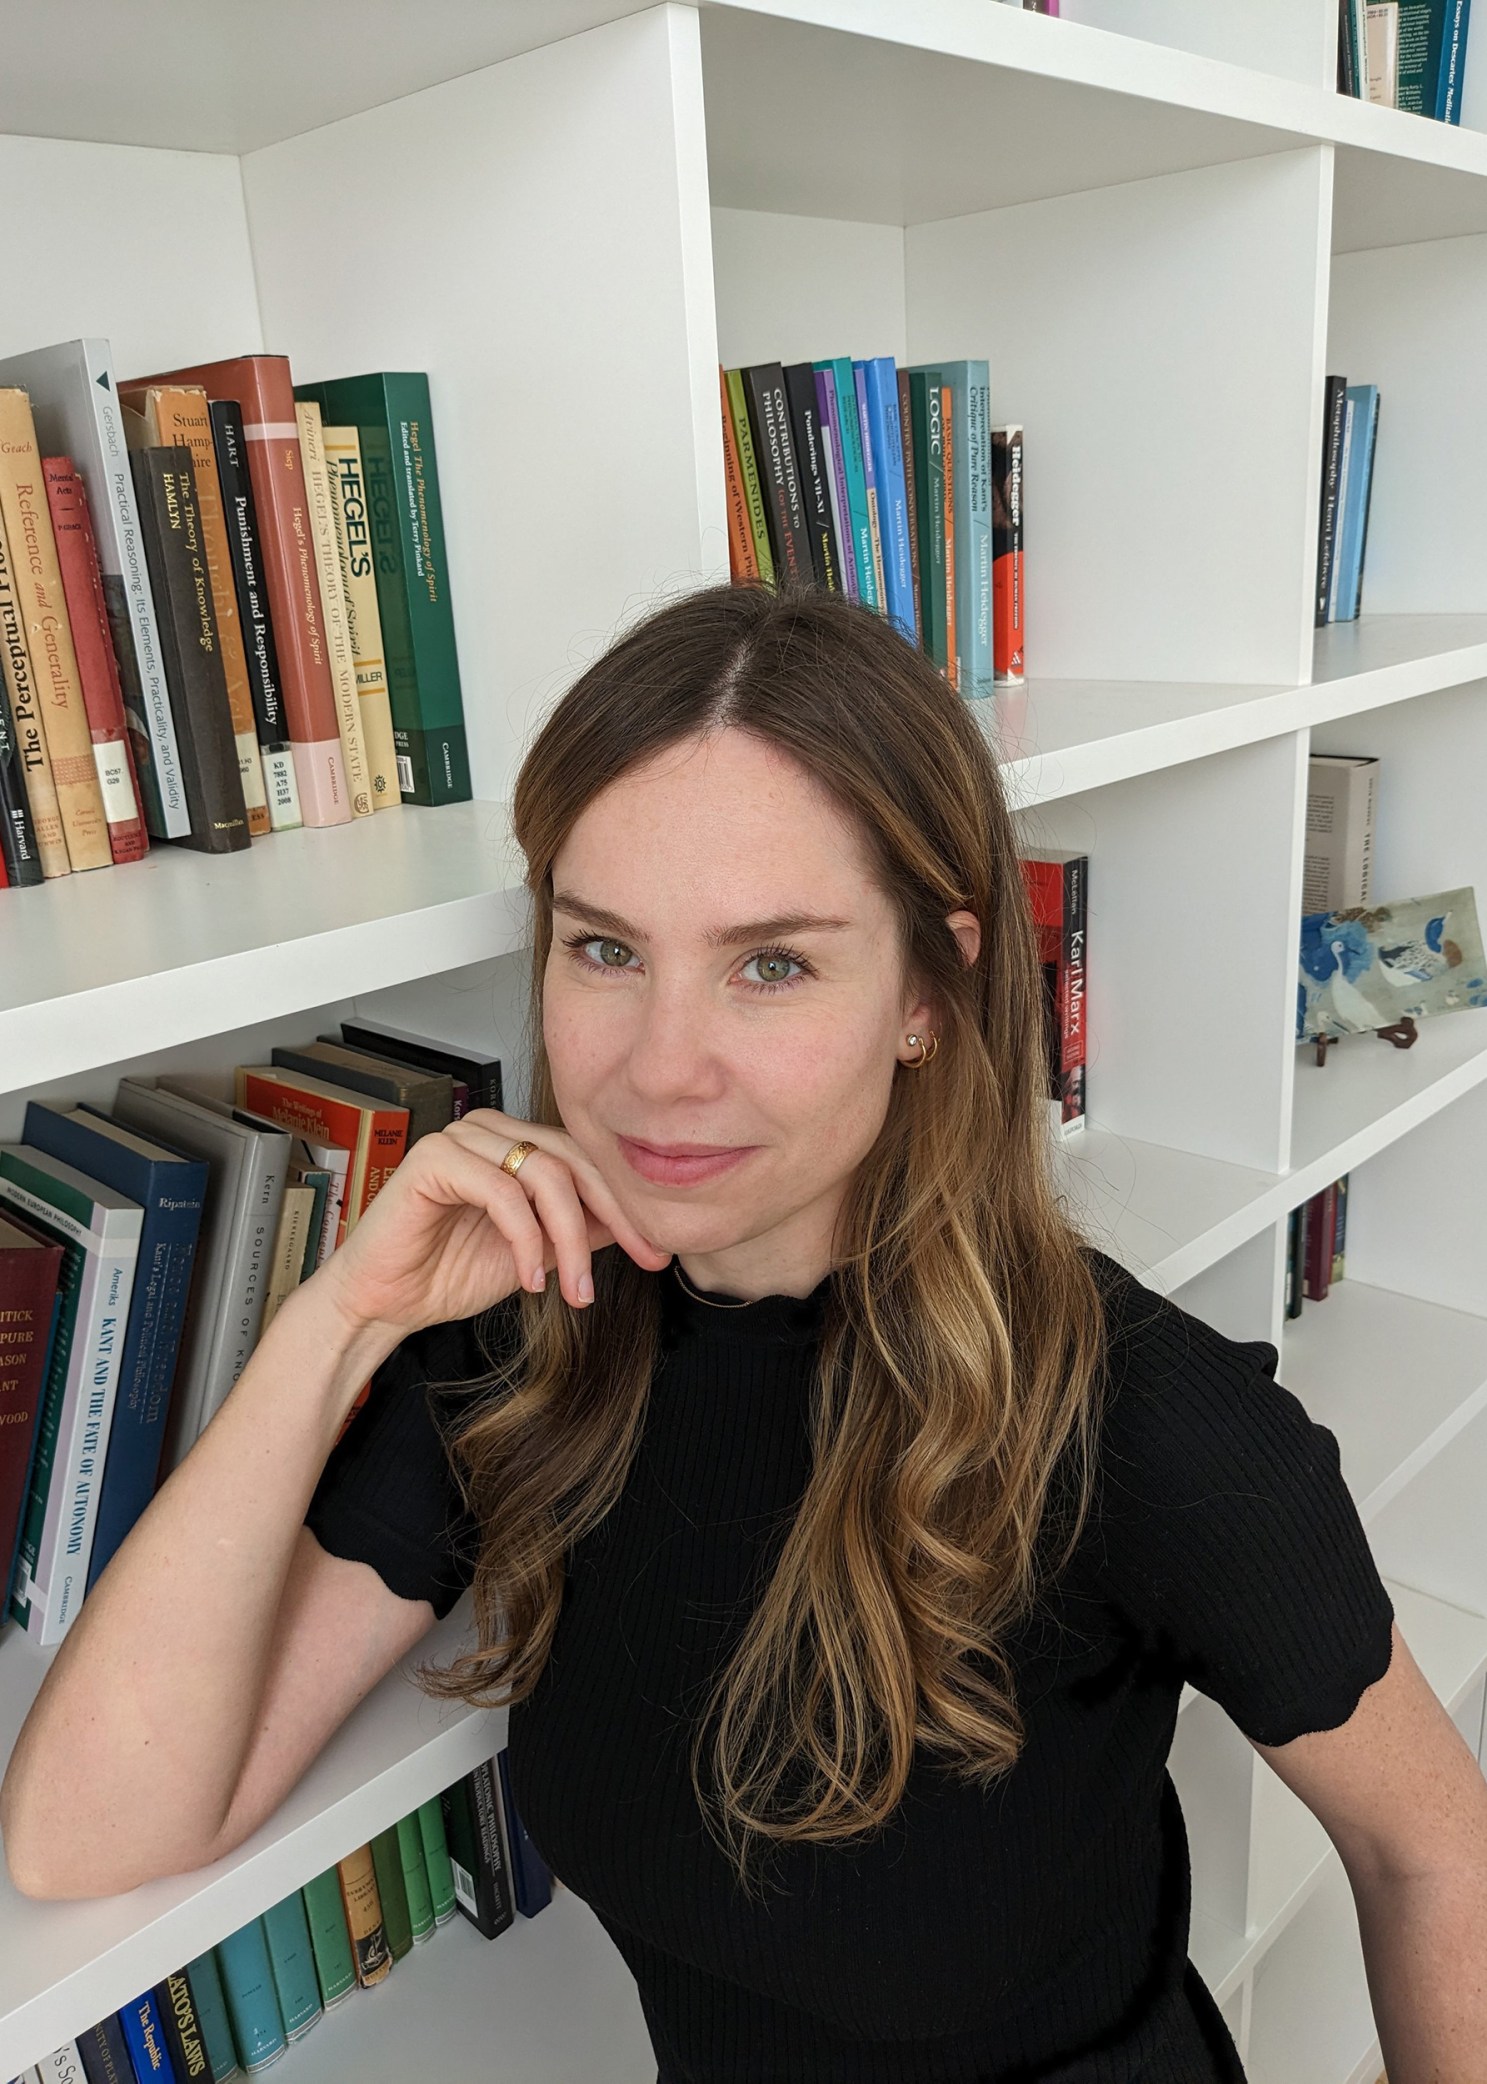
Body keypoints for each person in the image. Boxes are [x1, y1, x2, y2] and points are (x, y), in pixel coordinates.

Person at [4, 583, 1485, 2083]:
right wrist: (340, 1319)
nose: (660, 1070)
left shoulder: (1140, 1425)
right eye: (604, 951)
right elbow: (87, 1833)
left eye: (770, 964)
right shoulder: (528, 1341)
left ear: (930, 987)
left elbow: (1434, 1855)